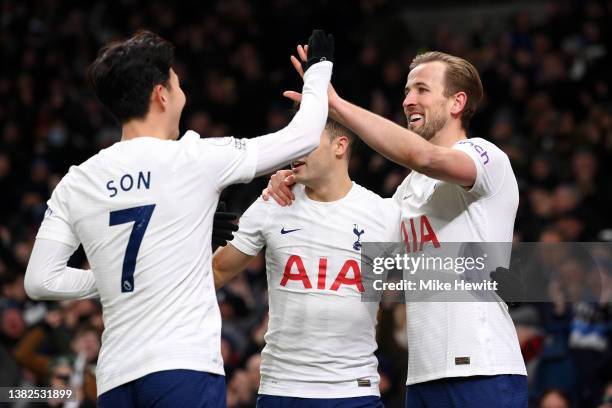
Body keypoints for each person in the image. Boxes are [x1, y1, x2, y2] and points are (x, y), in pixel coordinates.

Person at [23, 30, 334, 407]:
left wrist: (118, 277)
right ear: (161, 94)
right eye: (178, 84)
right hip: (183, 367)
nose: (183, 94)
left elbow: (40, 280)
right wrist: (318, 70)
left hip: (115, 378)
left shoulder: (77, 180)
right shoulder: (193, 157)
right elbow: (302, 136)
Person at [265, 46, 528, 407]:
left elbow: (425, 156)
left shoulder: (486, 157)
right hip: (421, 378)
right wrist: (294, 184)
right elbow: (348, 229)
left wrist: (336, 105)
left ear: (457, 103)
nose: (408, 100)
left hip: (483, 369)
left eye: (422, 89)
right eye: (406, 91)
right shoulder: (406, 191)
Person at [213, 118, 400, 407]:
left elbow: (443, 272)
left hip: (354, 390)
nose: (296, 147)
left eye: (308, 138)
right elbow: (215, 272)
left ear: (340, 146)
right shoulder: (272, 203)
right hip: (282, 388)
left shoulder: (384, 214)